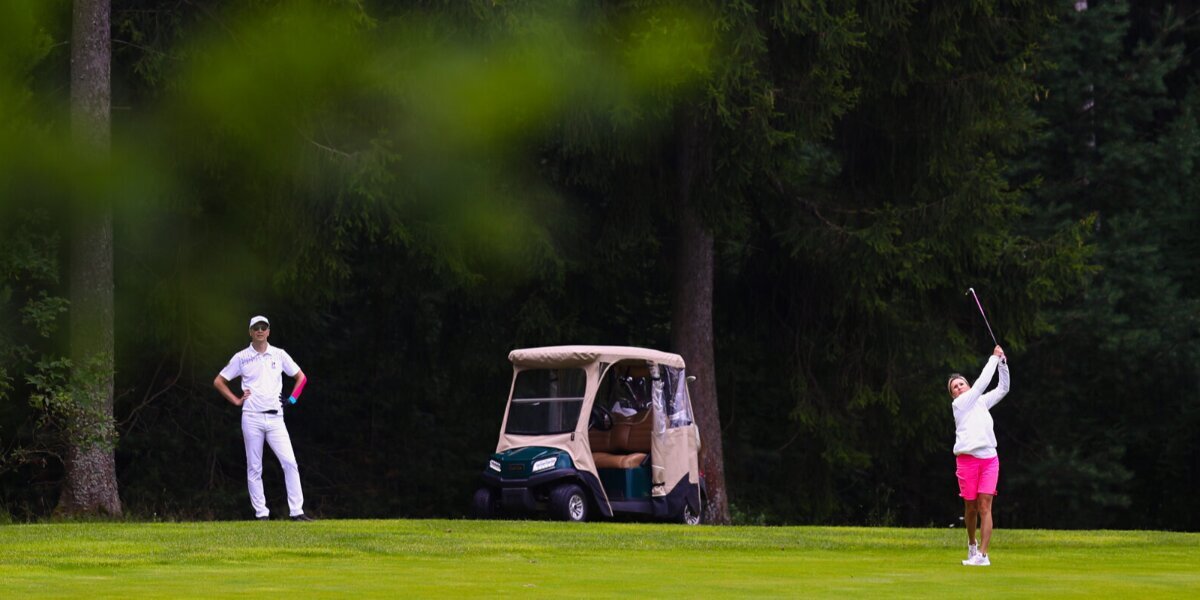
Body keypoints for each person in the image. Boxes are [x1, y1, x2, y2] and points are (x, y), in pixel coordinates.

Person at [213, 315, 313, 521]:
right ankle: (261, 514)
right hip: (251, 417)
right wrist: (236, 400)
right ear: (250, 332)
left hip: (276, 418)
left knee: (290, 462)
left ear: (268, 331)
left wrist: (292, 399)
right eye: (256, 327)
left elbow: (301, 378)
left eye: (263, 327)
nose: (260, 330)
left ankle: (297, 511)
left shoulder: (279, 354)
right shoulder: (241, 357)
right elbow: (219, 381)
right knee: (254, 466)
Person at [948, 345, 1009, 567]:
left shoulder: (981, 402)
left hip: (989, 459)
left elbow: (1003, 388)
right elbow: (982, 384)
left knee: (985, 506)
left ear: (968, 384)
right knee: (971, 507)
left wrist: (1002, 364)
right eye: (954, 387)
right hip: (966, 461)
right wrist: (993, 358)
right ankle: (972, 543)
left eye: (961, 383)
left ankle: (982, 555)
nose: (958, 388)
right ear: (953, 394)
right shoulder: (960, 404)